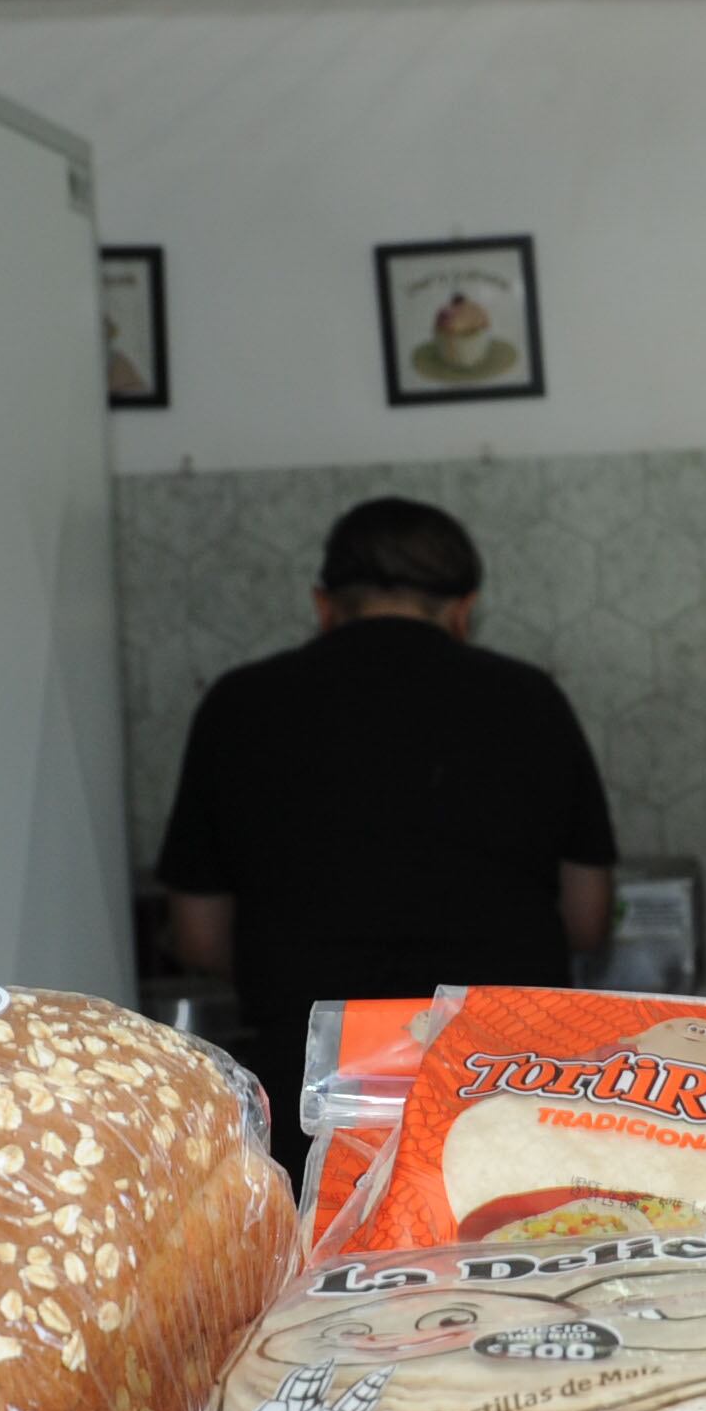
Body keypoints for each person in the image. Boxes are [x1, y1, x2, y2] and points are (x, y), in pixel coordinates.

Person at [157, 499, 616, 1166]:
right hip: (500, 1085)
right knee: (505, 1228)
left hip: (313, 1094)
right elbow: (588, 919)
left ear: (323, 605)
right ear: (464, 610)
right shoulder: (531, 700)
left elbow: (198, 937)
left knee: (323, 1231)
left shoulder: (238, 705)